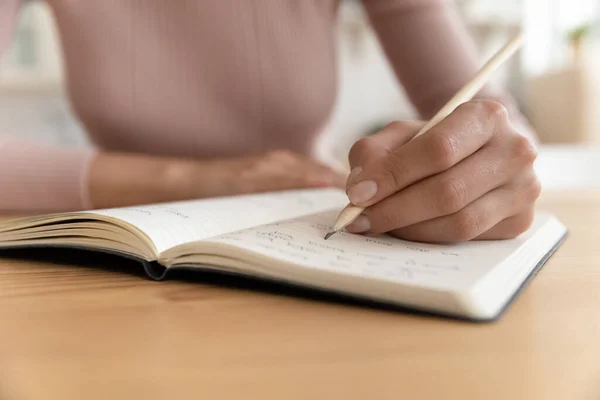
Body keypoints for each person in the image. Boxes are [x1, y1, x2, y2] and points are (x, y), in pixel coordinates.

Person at [0, 0, 540, 243]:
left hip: (303, 229)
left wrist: (483, 166)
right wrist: (190, 181)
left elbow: (494, 122)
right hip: (117, 253)